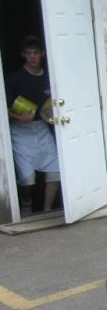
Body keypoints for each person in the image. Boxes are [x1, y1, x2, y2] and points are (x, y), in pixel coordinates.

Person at [5, 35, 60, 214]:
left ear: (42, 54)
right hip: (20, 131)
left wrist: (51, 113)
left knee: (55, 171)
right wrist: (17, 117)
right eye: (28, 53)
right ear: (23, 55)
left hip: (42, 128)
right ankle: (26, 204)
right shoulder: (14, 79)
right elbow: (3, 109)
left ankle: (46, 211)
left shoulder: (50, 77)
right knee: (27, 179)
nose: (32, 57)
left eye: (36, 53)